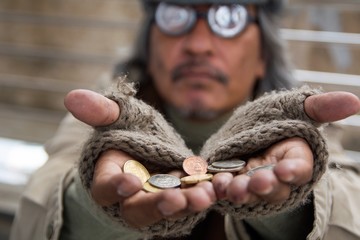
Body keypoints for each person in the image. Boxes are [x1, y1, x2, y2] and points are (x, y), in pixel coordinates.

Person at [10, 0, 360, 239]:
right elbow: (30, 219)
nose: (197, 44)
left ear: (263, 56)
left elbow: (348, 204)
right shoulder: (106, 115)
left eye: (228, 17)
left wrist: (290, 210)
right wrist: (94, 205)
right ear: (150, 44)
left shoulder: (298, 128)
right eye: (175, 15)